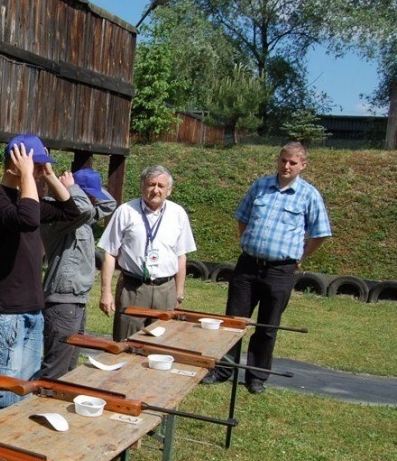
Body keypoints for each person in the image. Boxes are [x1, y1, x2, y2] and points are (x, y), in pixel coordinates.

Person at [201, 142, 331, 394]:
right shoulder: (260, 186)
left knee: (268, 327)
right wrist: (248, 242)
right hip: (248, 267)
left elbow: (320, 233)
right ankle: (223, 370)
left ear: (303, 165)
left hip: (280, 272)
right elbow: (242, 218)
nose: (286, 166)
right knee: (233, 322)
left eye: (293, 162)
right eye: (283, 160)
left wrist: (301, 256)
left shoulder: (309, 195)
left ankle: (256, 377)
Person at [0, 135, 80, 417]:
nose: (37, 172)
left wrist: (49, 175)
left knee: (26, 390)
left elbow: (72, 212)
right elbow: (29, 219)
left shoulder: (28, 199)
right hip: (5, 311)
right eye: (35, 166)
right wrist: (26, 177)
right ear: (14, 165)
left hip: (33, 308)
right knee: (1, 395)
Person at [97, 165, 196, 341]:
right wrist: (106, 291)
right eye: (151, 184)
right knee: (126, 342)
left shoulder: (178, 214)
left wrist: (179, 292)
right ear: (142, 186)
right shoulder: (126, 211)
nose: (156, 190)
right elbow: (110, 253)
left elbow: (181, 256)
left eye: (161, 186)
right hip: (133, 288)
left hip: (166, 290)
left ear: (169, 190)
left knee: (162, 344)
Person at [40, 167, 117, 379]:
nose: (94, 201)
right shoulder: (58, 216)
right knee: (56, 368)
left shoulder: (83, 215)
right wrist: (70, 188)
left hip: (76, 302)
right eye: (90, 195)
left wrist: (85, 187)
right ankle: (43, 399)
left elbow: (110, 204)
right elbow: (82, 208)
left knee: (70, 367)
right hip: (62, 302)